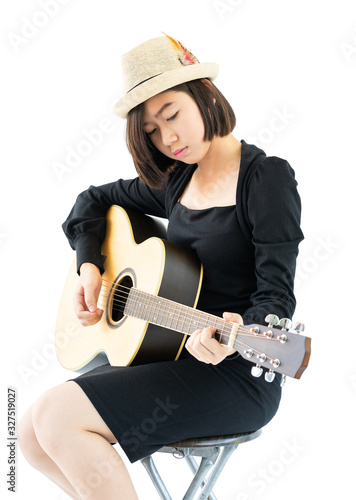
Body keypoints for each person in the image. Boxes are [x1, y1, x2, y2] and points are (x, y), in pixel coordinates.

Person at [18, 33, 304, 499]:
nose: (167, 138)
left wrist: (243, 330)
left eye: (172, 115)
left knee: (56, 416)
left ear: (205, 94)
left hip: (236, 373)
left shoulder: (266, 177)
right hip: (174, 355)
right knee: (29, 436)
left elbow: (276, 293)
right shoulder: (177, 182)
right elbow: (90, 202)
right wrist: (90, 266)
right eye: (151, 130)